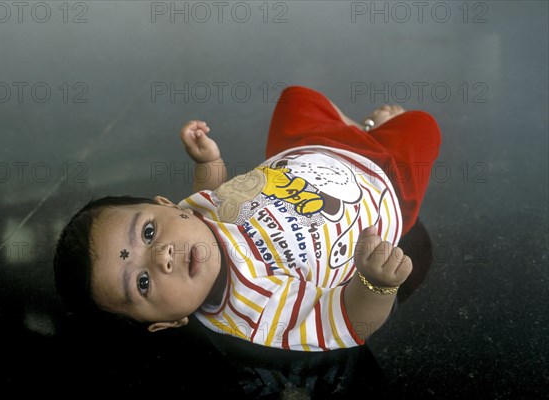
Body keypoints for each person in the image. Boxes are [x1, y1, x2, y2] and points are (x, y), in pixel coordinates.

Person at [53, 85, 441, 351]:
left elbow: (211, 191)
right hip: (381, 183)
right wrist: (376, 285)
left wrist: (208, 161)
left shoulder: (194, 217)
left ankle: (359, 129)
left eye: (149, 232)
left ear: (169, 205)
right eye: (142, 283)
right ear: (165, 324)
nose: (162, 257)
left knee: (296, 97)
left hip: (309, 151)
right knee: (423, 127)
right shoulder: (256, 310)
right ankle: (371, 132)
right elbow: (350, 325)